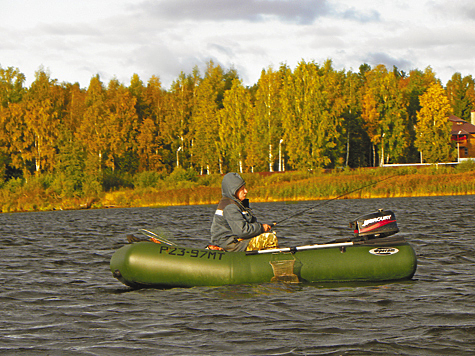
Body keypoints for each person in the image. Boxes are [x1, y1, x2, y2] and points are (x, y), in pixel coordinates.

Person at [209, 172, 279, 252]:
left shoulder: (236, 204)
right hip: (230, 245)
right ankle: (272, 260)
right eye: (242, 189)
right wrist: (261, 228)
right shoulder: (230, 207)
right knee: (269, 238)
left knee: (267, 235)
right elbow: (243, 231)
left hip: (235, 242)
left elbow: (248, 226)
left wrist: (261, 229)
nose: (246, 191)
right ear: (233, 190)